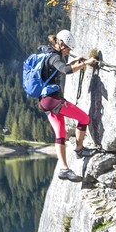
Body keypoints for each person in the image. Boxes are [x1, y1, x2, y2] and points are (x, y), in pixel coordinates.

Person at [37, 29, 98, 181]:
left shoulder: (48, 53)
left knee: (60, 133)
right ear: (61, 44)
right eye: (68, 49)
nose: (68, 51)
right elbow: (64, 70)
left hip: (44, 101)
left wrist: (74, 61)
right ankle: (79, 149)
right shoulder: (54, 56)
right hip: (53, 100)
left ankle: (64, 169)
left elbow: (57, 68)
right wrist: (86, 63)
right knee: (84, 118)